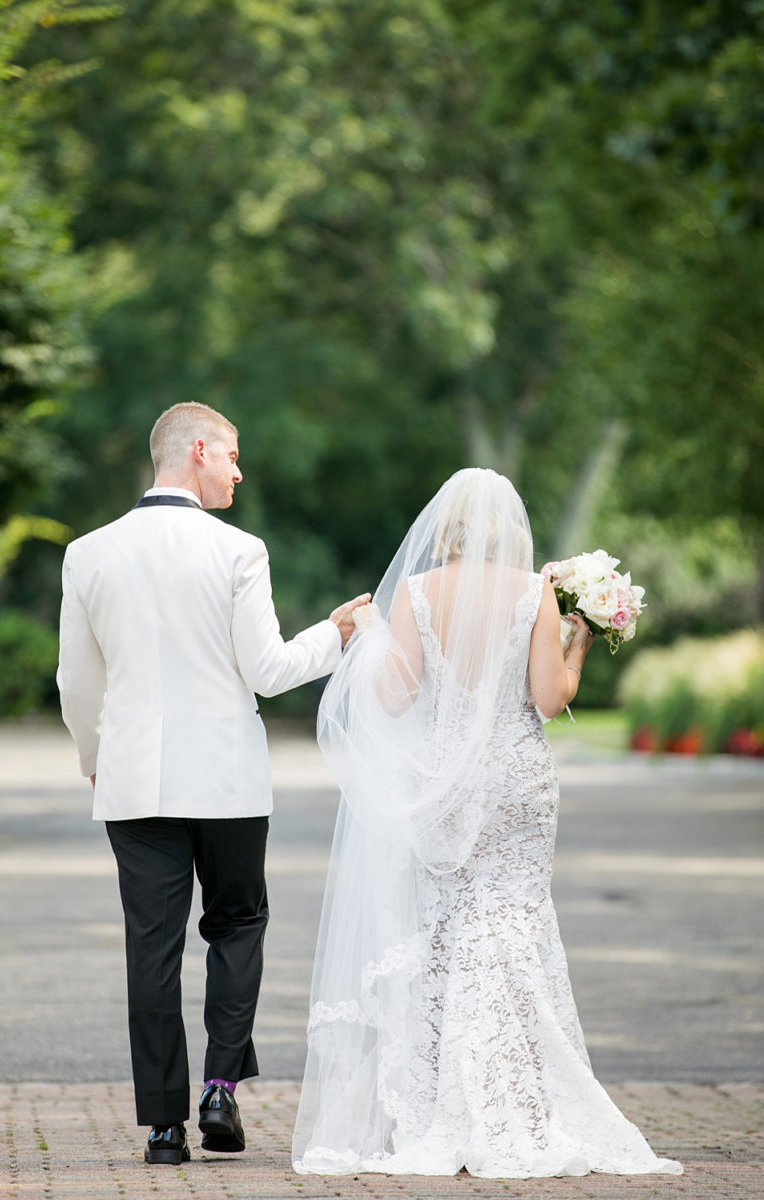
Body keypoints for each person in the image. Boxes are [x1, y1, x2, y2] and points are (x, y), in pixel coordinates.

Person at [292, 468, 683, 1179]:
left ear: (443, 528)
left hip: (442, 783)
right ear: (508, 528)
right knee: (511, 926)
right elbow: (545, 697)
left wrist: (375, 636)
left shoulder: (414, 594)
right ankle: (514, 1103)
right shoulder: (532, 591)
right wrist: (578, 642)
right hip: (516, 784)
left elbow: (397, 693)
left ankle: (446, 1102)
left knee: (448, 932)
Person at [57, 401, 369, 1166]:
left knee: (150, 951)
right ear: (197, 450)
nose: (238, 470)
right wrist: (336, 633)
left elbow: (76, 680)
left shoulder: (88, 552)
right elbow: (266, 670)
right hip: (227, 781)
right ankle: (220, 1089)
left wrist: (95, 754)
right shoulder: (239, 551)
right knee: (236, 927)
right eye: (231, 455)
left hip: (133, 782)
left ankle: (165, 1129)